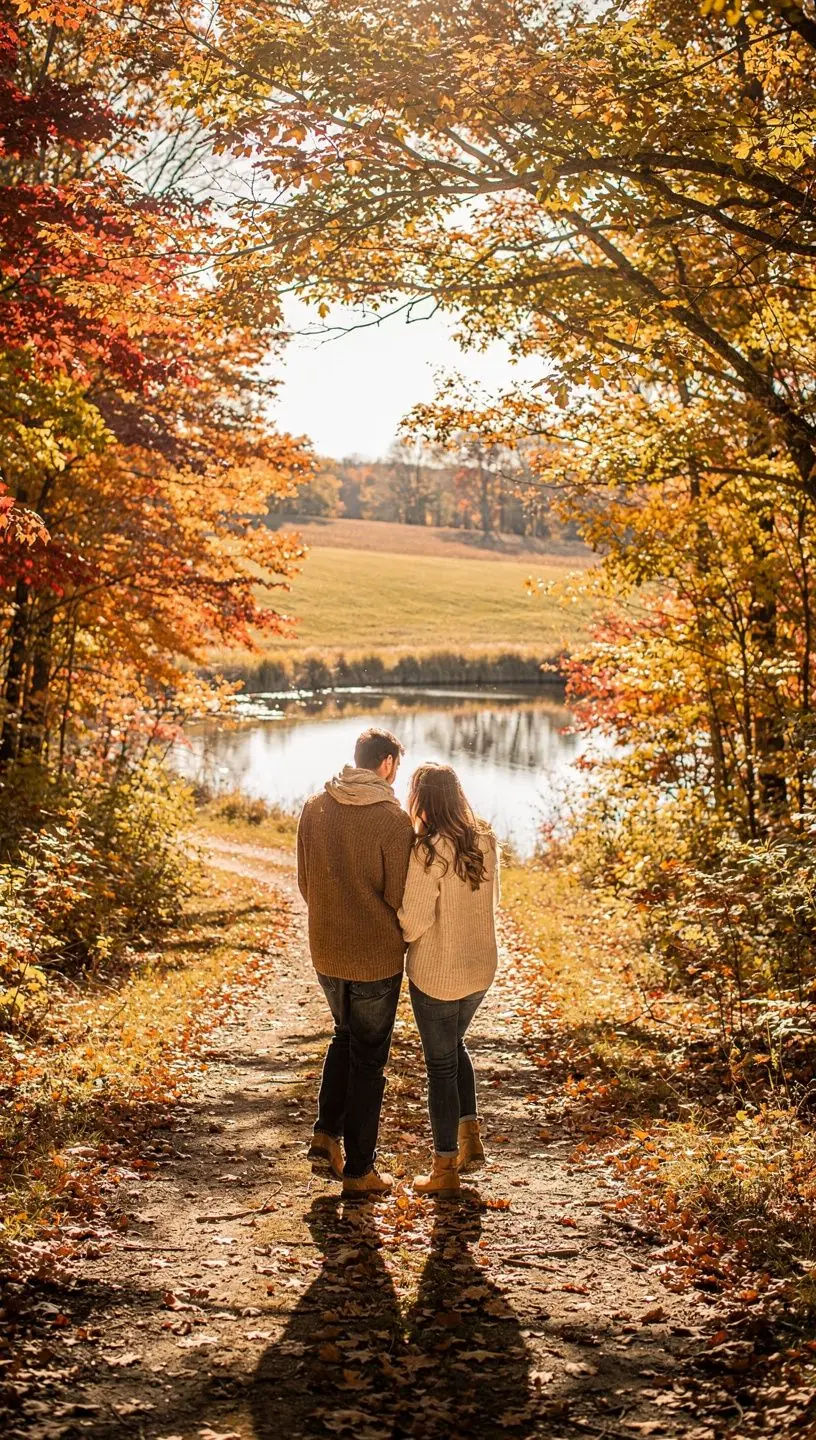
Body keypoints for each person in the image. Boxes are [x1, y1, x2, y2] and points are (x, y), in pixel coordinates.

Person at [297, 727, 414, 1198]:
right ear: (386, 763)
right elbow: (400, 896)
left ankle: (326, 1134)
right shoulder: (392, 819)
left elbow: (306, 882)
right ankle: (360, 1170)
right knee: (369, 1059)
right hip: (374, 957)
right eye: (397, 767)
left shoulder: (314, 807)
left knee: (344, 1036)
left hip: (326, 949)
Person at [399, 763, 500, 1195]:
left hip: (438, 974)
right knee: (454, 1047)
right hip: (480, 969)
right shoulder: (486, 838)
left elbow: (413, 922)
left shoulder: (428, 850)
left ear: (422, 799)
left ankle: (444, 1171)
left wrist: (398, 924)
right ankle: (470, 1138)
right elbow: (491, 901)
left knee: (440, 1066)